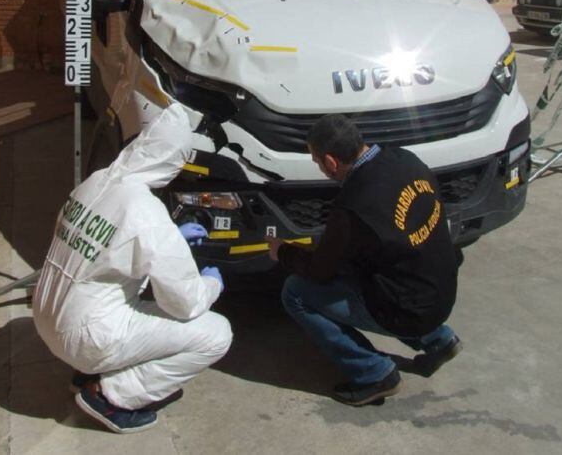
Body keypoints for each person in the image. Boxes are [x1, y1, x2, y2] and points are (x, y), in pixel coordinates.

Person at [33, 103, 232, 434]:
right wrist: (211, 284)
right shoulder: (146, 209)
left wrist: (171, 239)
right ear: (172, 160)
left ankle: (88, 370)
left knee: (119, 288)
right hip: (86, 336)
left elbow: (108, 247)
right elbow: (184, 303)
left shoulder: (96, 181)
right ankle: (111, 396)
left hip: (46, 315)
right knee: (215, 334)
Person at [267, 114, 462, 406]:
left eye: (317, 162)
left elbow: (319, 271)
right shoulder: (404, 158)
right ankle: (439, 340)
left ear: (331, 162)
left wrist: (282, 251)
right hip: (441, 289)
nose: (319, 168)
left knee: (296, 292)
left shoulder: (353, 207)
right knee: (388, 268)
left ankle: (374, 374)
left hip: (408, 310)